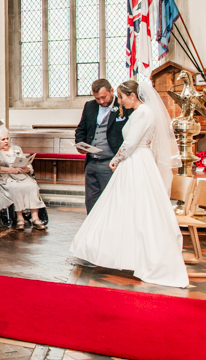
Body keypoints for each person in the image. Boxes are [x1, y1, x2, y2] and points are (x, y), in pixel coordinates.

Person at [69, 79, 188, 288]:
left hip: (135, 162)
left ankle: (137, 255)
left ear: (132, 96)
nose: (121, 103)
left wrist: (115, 160)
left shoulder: (142, 113)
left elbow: (131, 142)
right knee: (122, 207)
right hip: (133, 161)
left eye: (122, 98)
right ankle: (120, 252)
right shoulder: (142, 112)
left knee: (135, 208)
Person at [75, 78, 133, 213]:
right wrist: (80, 144)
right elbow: (81, 129)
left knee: (111, 199)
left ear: (112, 91)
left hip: (110, 161)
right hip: (91, 162)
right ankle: (93, 231)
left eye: (103, 97)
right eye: (97, 98)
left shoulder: (123, 106)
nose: (101, 101)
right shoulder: (89, 106)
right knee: (91, 200)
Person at [0, 129, 48, 230]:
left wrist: (27, 169)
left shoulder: (16, 148)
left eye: (7, 139)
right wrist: (11, 170)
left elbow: (27, 164)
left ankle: (35, 218)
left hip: (21, 175)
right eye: (3, 139)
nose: (6, 141)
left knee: (32, 186)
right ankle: (20, 218)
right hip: (5, 176)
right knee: (15, 188)